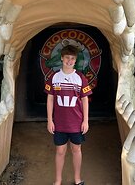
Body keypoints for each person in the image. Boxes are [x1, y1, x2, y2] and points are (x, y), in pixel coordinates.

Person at [45, 45, 92, 185]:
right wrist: (49, 120)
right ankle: (58, 180)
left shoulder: (80, 77)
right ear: (62, 58)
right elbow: (50, 99)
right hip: (59, 123)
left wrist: (86, 121)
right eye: (67, 58)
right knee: (60, 151)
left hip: (76, 123)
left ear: (75, 60)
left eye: (72, 58)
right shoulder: (54, 77)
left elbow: (85, 100)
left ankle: (77, 179)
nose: (69, 61)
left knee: (76, 149)